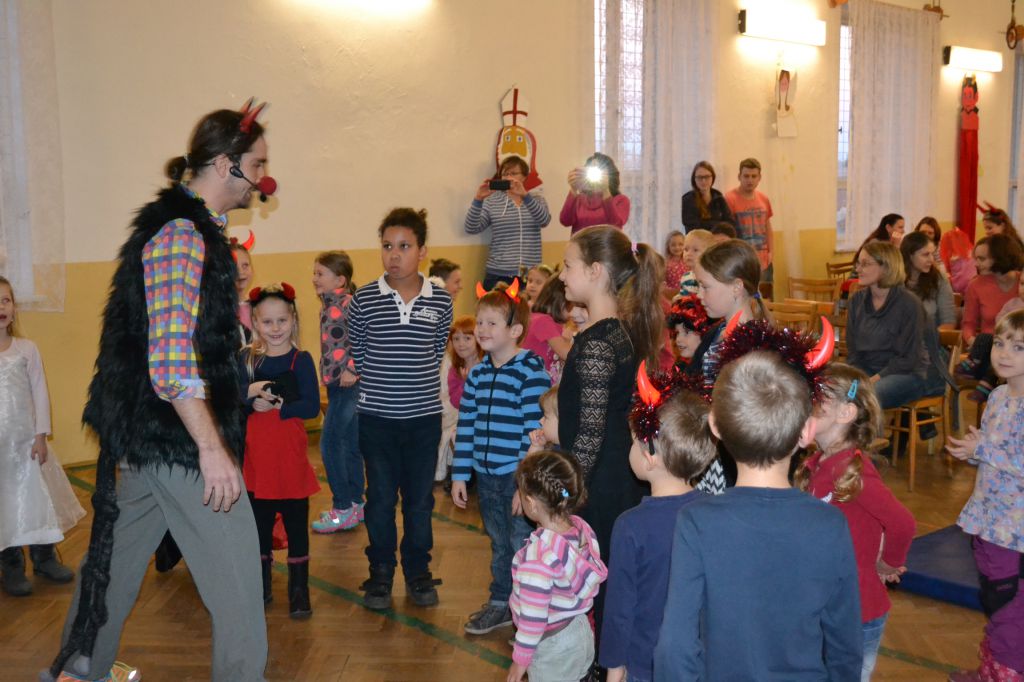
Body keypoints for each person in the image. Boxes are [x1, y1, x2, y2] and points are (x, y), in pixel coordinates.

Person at [43, 102, 273, 682]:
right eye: (257, 165)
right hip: (178, 438)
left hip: (147, 438)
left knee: (113, 563)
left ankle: (76, 669)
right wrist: (211, 448)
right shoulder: (181, 235)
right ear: (225, 164)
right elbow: (170, 358)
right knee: (239, 583)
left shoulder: (190, 229)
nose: (263, 179)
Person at [654, 350, 862, 681]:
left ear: (715, 426)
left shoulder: (697, 522)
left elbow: (676, 645)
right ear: (806, 431)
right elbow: (845, 641)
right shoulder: (830, 524)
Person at [556, 225, 663, 634]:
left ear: (596, 270)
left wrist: (564, 493)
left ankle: (605, 658)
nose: (562, 275)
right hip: (613, 472)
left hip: (601, 481)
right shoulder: (613, 331)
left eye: (568, 265)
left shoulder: (599, 343)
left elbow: (589, 434)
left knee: (600, 579)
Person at [350, 207, 454, 611]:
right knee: (379, 499)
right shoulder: (364, 300)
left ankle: (418, 571)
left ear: (422, 251)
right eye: (387, 246)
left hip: (423, 421)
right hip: (376, 421)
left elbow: (435, 350)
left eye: (405, 246)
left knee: (419, 502)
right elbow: (360, 353)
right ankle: (380, 572)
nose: (394, 255)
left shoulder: (440, 301)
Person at [795, 364, 916, 680]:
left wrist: (888, 563)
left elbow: (902, 523)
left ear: (846, 413)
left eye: (818, 397)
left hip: (859, 610)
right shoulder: (817, 464)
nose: (807, 402)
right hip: (825, 603)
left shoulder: (851, 470)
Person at [451, 282, 550, 635]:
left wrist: (524, 485)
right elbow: (466, 425)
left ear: (515, 330)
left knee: (521, 543)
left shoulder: (529, 371)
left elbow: (536, 434)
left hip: (516, 477)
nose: (482, 329)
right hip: (486, 476)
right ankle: (501, 602)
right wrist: (460, 474)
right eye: (480, 322)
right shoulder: (477, 373)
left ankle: (527, 609)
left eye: (492, 323)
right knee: (498, 542)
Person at [600, 384, 716, 682]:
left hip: (645, 663)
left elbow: (620, 608)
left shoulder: (631, 526)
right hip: (699, 661)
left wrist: (614, 667)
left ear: (650, 457)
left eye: (633, 443)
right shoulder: (715, 514)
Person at [947, 309, 1024, 682]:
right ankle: (992, 669)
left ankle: (1006, 674)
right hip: (989, 520)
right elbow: (996, 456)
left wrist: (983, 450)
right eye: (1000, 343)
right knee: (995, 601)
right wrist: (973, 452)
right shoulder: (996, 397)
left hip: (1014, 529)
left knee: (1007, 605)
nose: (1005, 353)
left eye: (1019, 347)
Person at [239, 283, 321, 617]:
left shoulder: (301, 360)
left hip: (289, 460)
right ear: (256, 323)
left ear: (293, 320)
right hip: (258, 461)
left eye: (282, 321)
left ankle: (299, 591)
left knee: (297, 526)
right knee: (258, 528)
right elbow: (232, 400)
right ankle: (260, 586)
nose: (275, 328)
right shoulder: (247, 360)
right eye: (267, 322)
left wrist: (280, 407)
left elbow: (312, 407)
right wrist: (251, 400)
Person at [0, 276, 84, 597]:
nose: (1, 307)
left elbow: (40, 393)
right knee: (5, 504)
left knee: (37, 499)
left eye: (6, 300)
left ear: (14, 308)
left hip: (26, 445)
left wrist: (41, 435)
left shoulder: (27, 349)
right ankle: (10, 565)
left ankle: (44, 557)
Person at [507, 450, 608, 682]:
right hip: (580, 629)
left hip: (553, 646)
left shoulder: (538, 559)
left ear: (531, 504)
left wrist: (520, 661)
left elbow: (533, 619)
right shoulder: (581, 530)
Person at [689, 239, 769, 492]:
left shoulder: (755, 344)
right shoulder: (715, 333)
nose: (699, 295)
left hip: (735, 462)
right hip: (711, 452)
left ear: (736, 287)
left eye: (705, 287)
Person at [847, 241, 942, 410]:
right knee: (836, 393)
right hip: (869, 370)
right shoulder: (856, 301)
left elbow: (909, 358)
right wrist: (855, 379)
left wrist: (873, 379)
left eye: (865, 264)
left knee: (867, 397)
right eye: (858, 263)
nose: (858, 269)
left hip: (906, 374)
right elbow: (854, 352)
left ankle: (868, 428)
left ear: (886, 267)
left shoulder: (909, 304)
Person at [310, 251, 364, 534]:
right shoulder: (329, 305)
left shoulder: (349, 304)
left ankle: (342, 507)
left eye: (320, 274)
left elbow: (368, 339)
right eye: (314, 273)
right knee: (349, 444)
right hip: (336, 384)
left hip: (348, 384)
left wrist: (353, 368)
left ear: (340, 280)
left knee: (329, 444)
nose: (314, 278)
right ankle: (355, 503)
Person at [465, 156, 552, 290]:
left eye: (514, 173)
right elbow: (472, 227)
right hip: (498, 274)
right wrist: (478, 199)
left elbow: (544, 220)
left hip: (529, 276)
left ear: (524, 176)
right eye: (505, 174)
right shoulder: (492, 200)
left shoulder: (536, 199)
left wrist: (525, 196)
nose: (509, 177)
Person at [958, 274, 1024, 403]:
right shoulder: (1012, 304)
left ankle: (985, 385)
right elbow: (1000, 322)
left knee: (1001, 359)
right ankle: (972, 362)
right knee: (984, 338)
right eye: (1022, 284)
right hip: (1004, 338)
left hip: (1017, 354)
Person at [435, 316, 482, 484]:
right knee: (457, 435)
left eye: (467, 338)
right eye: (456, 339)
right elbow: (455, 401)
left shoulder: (488, 363)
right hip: (461, 417)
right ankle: (464, 476)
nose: (461, 344)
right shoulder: (455, 367)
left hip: (484, 419)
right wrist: (465, 383)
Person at [723, 158, 774, 284]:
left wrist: (771, 252)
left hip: (763, 261)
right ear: (739, 176)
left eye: (753, 176)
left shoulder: (764, 199)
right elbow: (726, 231)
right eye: (746, 176)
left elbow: (767, 227)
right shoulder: (729, 199)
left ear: (759, 177)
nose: (750, 180)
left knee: (766, 295)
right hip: (741, 261)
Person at [560, 153, 630, 234]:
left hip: (607, 242)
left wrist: (605, 190)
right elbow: (565, 221)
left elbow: (616, 225)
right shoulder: (579, 199)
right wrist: (573, 189)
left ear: (610, 175)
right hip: (581, 242)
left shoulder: (621, 200)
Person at [522, 276, 571, 383]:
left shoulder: (546, 321)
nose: (575, 312)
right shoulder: (543, 321)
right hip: (532, 384)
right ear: (561, 302)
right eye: (574, 306)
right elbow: (567, 354)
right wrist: (568, 339)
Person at [680, 161, 734, 233]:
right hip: (697, 239)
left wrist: (708, 224)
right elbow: (694, 227)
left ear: (713, 178)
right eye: (699, 177)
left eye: (707, 177)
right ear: (694, 179)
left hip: (719, 238)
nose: (703, 181)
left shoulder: (719, 197)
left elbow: (730, 223)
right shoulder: (687, 200)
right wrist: (718, 224)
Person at [666, 294, 712, 368]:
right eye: (677, 333)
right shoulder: (680, 368)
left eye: (686, 332)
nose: (678, 339)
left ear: (704, 332)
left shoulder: (713, 371)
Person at [939, 224, 977, 295]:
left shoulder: (953, 258)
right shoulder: (971, 252)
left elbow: (957, 284)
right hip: (974, 286)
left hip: (961, 291)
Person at [676, 229, 714, 298]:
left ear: (709, 253)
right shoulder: (686, 277)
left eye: (695, 250)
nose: (689, 254)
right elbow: (684, 299)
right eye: (686, 249)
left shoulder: (712, 278)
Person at [662, 230, 687, 297]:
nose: (677, 247)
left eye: (680, 244)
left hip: (687, 294)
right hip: (671, 295)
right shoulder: (665, 263)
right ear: (668, 246)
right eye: (673, 245)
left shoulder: (687, 260)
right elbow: (662, 280)